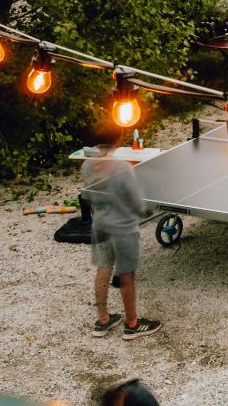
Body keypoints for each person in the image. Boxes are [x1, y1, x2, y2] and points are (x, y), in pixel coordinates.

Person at [82, 124, 161, 340]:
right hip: (123, 228)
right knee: (126, 275)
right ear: (118, 140)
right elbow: (136, 203)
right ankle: (132, 325)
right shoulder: (122, 168)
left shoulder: (87, 165)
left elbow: (87, 196)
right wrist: (144, 211)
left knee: (103, 268)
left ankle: (103, 320)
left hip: (100, 225)